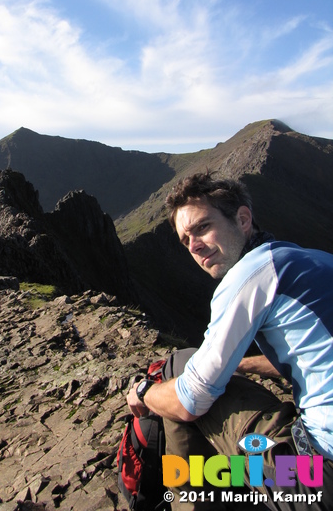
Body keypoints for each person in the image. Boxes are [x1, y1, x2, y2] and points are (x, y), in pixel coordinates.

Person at [126, 172, 333, 511]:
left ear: (242, 218)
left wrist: (143, 392)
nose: (193, 245)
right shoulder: (310, 260)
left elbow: (189, 401)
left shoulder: (250, 275)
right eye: (185, 239)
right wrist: (241, 363)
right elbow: (308, 351)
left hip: (317, 477)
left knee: (177, 368)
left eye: (202, 227)